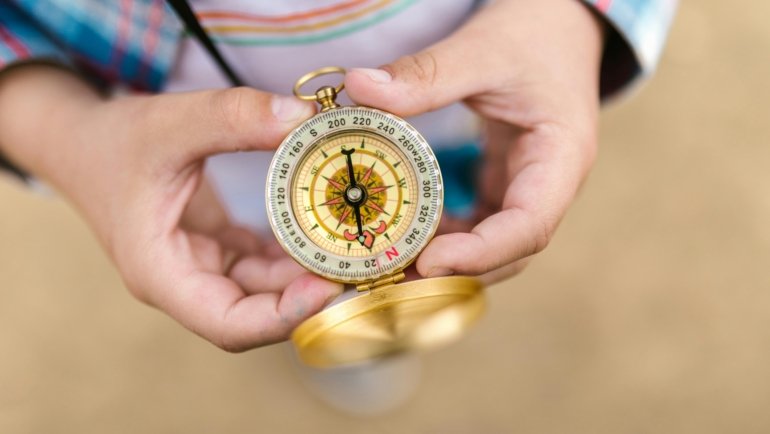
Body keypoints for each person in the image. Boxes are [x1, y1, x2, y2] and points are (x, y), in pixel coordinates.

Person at [0, 0, 677, 353]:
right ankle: (351, 318)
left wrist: (569, 17)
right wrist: (68, 134)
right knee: (274, 261)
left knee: (457, 201)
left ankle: (381, 312)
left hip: (471, 98)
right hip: (210, 166)